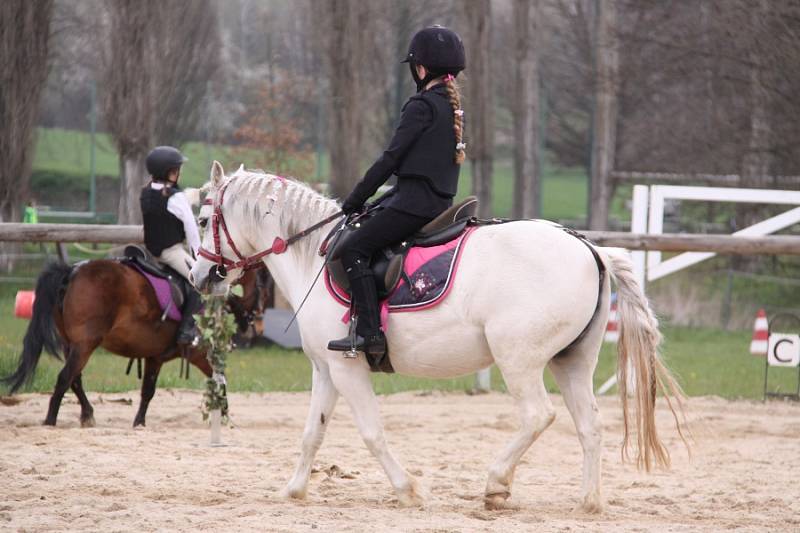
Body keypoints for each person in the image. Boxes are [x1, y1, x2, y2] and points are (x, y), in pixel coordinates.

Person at [327, 25, 467, 359]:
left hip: (413, 204)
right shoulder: (452, 107)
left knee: (353, 249)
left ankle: (369, 333)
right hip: (436, 202)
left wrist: (355, 199)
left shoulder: (420, 106)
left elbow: (390, 159)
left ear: (421, 69)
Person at [139, 146, 202, 347]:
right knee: (200, 283)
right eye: (177, 169)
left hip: (149, 252)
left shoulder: (146, 191)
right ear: (169, 172)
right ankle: (186, 330)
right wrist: (200, 260)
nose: (179, 173)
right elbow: (192, 231)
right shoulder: (175, 197)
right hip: (171, 253)